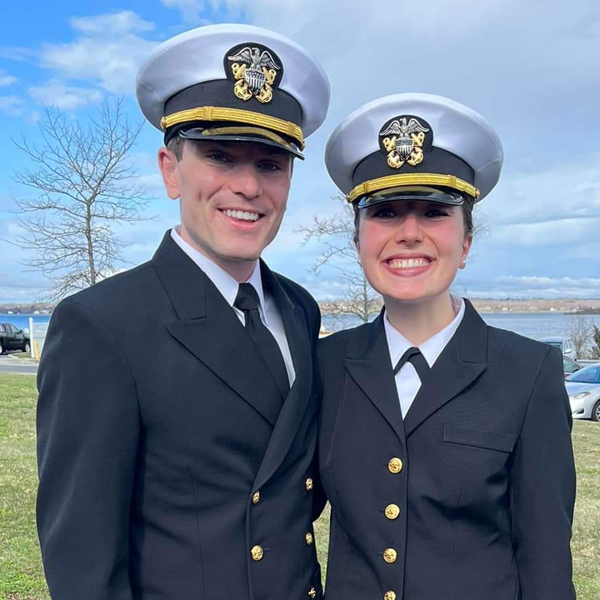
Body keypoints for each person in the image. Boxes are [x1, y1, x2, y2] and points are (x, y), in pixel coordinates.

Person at [36, 24, 330, 600]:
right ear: (171, 169)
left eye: (270, 164)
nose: (248, 186)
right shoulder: (101, 325)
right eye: (220, 156)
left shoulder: (299, 308)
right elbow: (82, 562)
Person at [318, 93, 576, 600]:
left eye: (435, 213)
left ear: (466, 244)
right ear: (358, 242)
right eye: (385, 212)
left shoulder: (528, 372)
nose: (409, 233)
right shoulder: (326, 364)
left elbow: (545, 559)